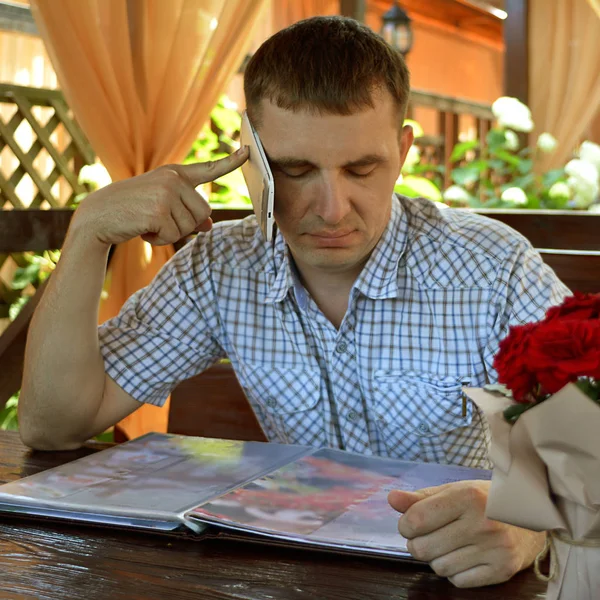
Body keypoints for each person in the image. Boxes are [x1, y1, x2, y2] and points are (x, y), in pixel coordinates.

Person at [19, 16, 568, 588]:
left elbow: (590, 441)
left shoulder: (492, 268)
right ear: (250, 155)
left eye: (362, 168)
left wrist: (530, 522)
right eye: (294, 170)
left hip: (452, 577)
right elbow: (53, 425)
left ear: (403, 150)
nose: (331, 208)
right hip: (294, 576)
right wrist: (89, 233)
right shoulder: (220, 267)